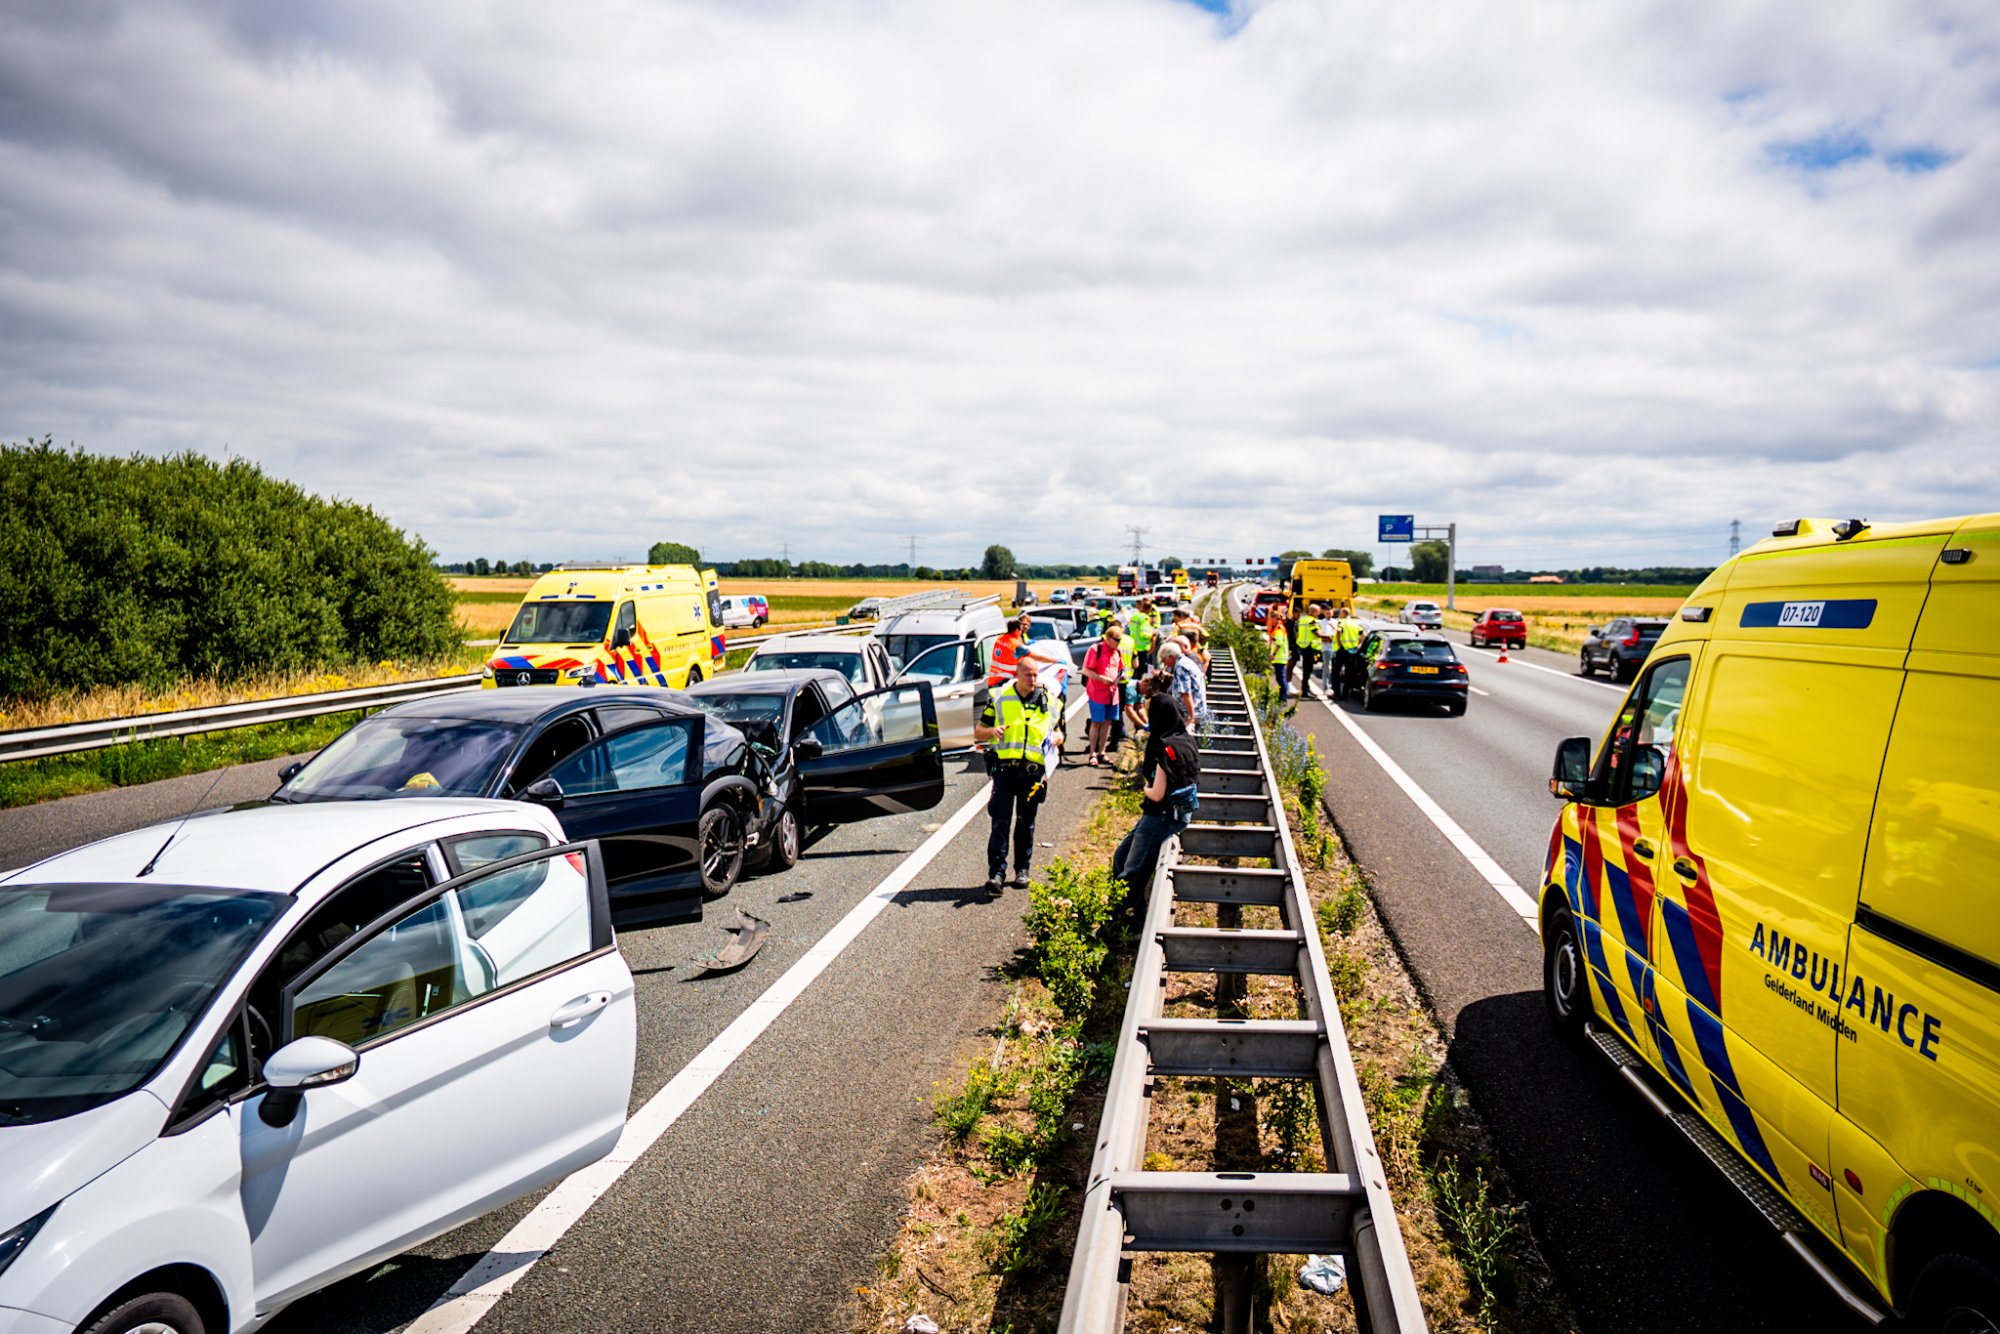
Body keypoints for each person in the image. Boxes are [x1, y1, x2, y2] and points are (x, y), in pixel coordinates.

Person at [976, 657, 1058, 890]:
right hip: (1005, 770)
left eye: (1035, 675)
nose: (1032, 680)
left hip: (1033, 773)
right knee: (1000, 822)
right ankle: (997, 874)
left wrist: (1057, 738)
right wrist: (992, 731)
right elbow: (979, 731)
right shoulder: (999, 699)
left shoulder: (1049, 701)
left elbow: (1059, 732)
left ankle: (1022, 869)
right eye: (1027, 675)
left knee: (1025, 822)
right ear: (1016, 674)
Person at [1113, 693, 1202, 894]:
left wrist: (1145, 788)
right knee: (1122, 855)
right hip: (1179, 814)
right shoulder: (1187, 740)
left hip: (1161, 815)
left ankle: (1121, 914)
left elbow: (1157, 794)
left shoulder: (1165, 746)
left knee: (1130, 870)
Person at [1082, 622, 1126, 766]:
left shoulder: (1117, 652)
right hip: (1097, 692)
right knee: (1097, 722)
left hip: (1112, 693)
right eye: (1116, 639)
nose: (1119, 643)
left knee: (1108, 723)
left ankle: (1102, 752)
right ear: (1108, 637)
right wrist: (1101, 678)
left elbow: (1121, 668)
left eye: (1120, 640)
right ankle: (1092, 754)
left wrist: (1122, 676)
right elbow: (1086, 670)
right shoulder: (1096, 649)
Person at [987, 612, 1063, 686]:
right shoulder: (1016, 645)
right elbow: (1039, 658)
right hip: (1006, 680)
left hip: (994, 678)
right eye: (1020, 629)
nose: (1022, 631)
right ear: (1017, 630)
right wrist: (1056, 660)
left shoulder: (1000, 639)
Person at [1159, 640, 1207, 727]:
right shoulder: (1185, 662)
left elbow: (1186, 693)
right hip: (1194, 710)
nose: (1164, 664)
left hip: (1190, 713)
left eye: (1164, 660)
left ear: (1171, 657)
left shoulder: (1181, 666)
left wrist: (1190, 717)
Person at [1332, 609, 1365, 701]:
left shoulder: (1341, 622)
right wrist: (1358, 644)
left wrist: (1339, 643)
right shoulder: (1355, 623)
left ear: (1343, 614)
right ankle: (1345, 694)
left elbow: (1338, 631)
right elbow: (1364, 634)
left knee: (1336, 672)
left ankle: (1337, 693)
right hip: (1352, 650)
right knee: (1349, 673)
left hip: (1342, 649)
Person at [1267, 604, 1292, 702]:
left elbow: (1279, 643)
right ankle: (1282, 698)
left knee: (1281, 679)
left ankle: (1283, 699)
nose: (1269, 620)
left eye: (1270, 618)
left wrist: (1273, 655)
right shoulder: (1277, 627)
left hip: (1279, 657)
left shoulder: (1279, 629)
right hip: (1279, 657)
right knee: (1280, 678)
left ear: (1274, 618)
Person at [1296, 603, 1323, 694]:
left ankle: (1306, 688)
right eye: (1317, 612)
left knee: (1306, 669)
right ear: (1312, 612)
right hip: (1310, 647)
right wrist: (1328, 636)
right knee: (1308, 670)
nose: (1318, 614)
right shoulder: (1312, 621)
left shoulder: (1303, 620)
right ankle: (1305, 690)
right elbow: (1317, 633)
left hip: (1303, 647)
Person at [1128, 597, 1157, 671]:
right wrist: (1152, 634)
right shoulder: (1145, 618)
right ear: (1149, 609)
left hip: (1133, 645)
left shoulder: (1135, 616)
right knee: (1144, 668)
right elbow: (1144, 634)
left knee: (1136, 667)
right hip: (1143, 647)